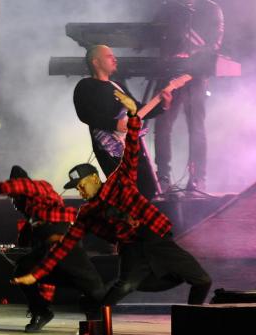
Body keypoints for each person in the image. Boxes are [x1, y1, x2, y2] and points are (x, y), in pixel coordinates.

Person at [12, 92, 212, 310]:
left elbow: (132, 147)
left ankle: (193, 317)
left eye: (82, 184)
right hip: (132, 250)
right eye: (76, 187)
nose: (80, 190)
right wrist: (36, 274)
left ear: (95, 179)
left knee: (202, 280)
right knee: (124, 285)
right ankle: (95, 314)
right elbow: (66, 244)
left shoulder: (120, 181)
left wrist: (134, 114)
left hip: (157, 240)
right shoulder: (87, 213)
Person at [0, 165, 105, 332]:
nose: (12, 202)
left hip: (67, 244)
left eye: (13, 197)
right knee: (23, 270)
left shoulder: (37, 187)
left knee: (95, 289)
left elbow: (11, 187)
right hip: (53, 252)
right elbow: (42, 258)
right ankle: (42, 312)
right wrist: (43, 304)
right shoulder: (33, 216)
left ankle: (96, 319)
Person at [152, 0, 224, 193]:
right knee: (162, 124)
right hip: (170, 74)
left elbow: (215, 43)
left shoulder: (211, 9)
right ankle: (163, 176)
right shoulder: (168, 9)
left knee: (196, 127)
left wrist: (193, 56)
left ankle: (197, 177)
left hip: (196, 75)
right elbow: (153, 35)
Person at [73, 44, 169, 200]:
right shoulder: (85, 86)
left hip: (131, 144)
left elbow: (137, 111)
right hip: (109, 146)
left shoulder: (117, 87)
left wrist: (163, 106)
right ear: (96, 62)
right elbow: (85, 114)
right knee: (124, 190)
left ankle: (140, 222)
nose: (114, 59)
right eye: (109, 56)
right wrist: (114, 125)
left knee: (147, 187)